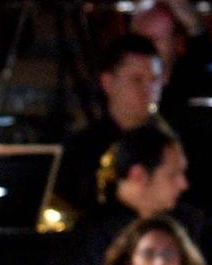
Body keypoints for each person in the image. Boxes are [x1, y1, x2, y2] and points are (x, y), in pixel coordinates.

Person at [73, 125, 192, 265]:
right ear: (138, 175)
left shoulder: (185, 223)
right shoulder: (92, 236)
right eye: (172, 175)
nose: (184, 184)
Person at [55, 34, 164, 217]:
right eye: (137, 80)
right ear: (108, 82)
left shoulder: (170, 145)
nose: (149, 91)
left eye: (154, 80)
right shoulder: (79, 150)